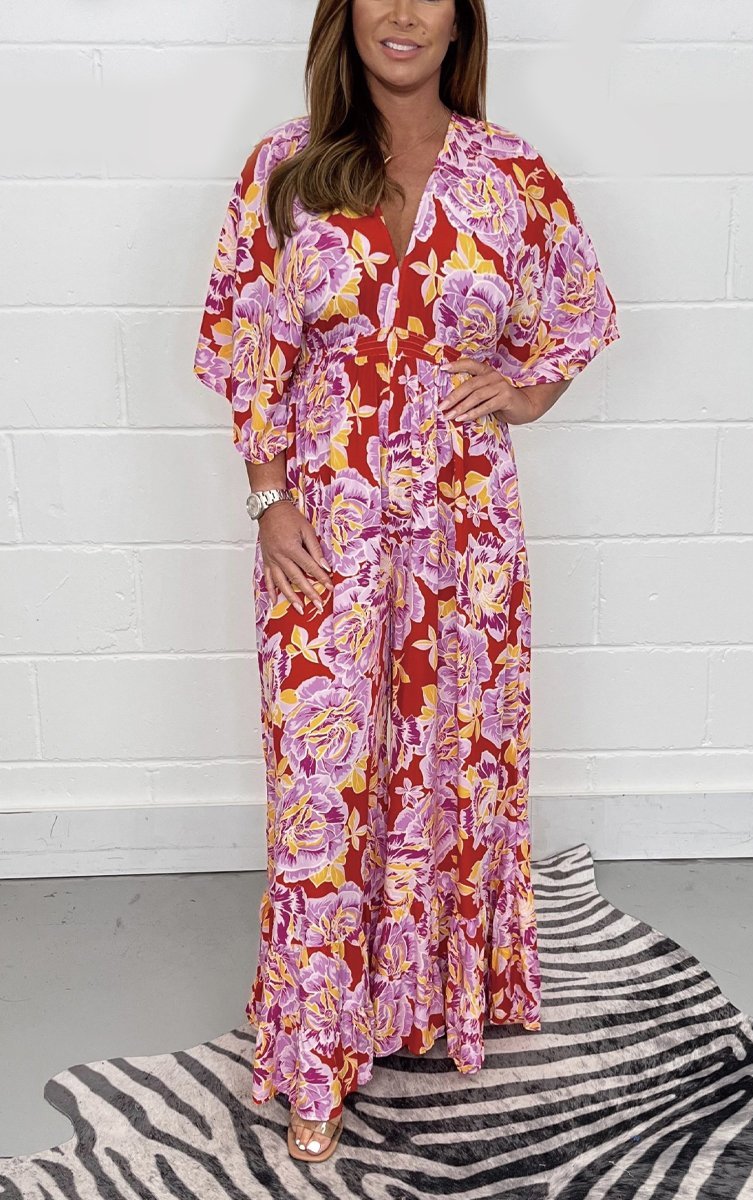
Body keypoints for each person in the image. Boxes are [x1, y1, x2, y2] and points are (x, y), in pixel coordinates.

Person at [193, 0, 620, 1164]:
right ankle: (318, 1052)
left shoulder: (508, 171)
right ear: (342, 17)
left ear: (458, 20)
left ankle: (435, 1002)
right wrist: (267, 497)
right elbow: (247, 348)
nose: (399, 12)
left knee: (446, 765)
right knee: (322, 782)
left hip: (464, 530)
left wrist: (526, 393)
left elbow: (580, 309)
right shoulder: (285, 168)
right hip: (324, 524)